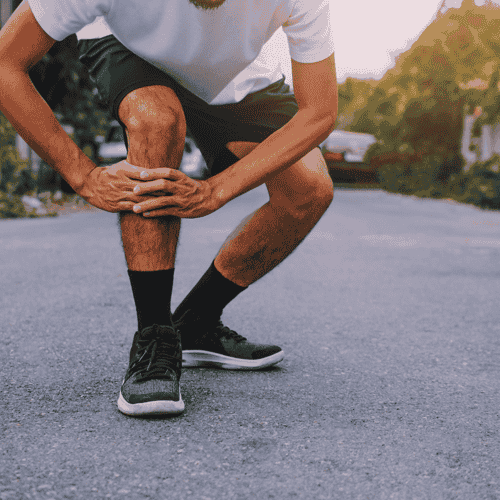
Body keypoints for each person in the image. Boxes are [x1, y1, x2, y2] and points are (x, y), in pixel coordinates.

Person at [0, 0, 337, 417]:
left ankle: (195, 321)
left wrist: (216, 190)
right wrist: (82, 175)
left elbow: (319, 110)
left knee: (309, 189)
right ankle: (155, 336)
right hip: (129, 44)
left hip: (232, 74)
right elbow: (6, 62)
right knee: (155, 120)